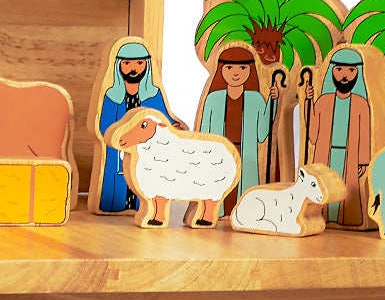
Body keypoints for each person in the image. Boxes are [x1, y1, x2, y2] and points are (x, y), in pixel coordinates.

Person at [94, 40, 177, 212]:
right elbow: (104, 125)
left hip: (146, 152)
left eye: (139, 63)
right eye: (127, 63)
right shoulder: (111, 95)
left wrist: (175, 125)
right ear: (118, 65)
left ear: (147, 65)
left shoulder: (154, 93)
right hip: (119, 150)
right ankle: (115, 205)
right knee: (119, 180)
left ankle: (142, 208)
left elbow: (162, 117)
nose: (134, 68)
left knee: (144, 178)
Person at [305, 44, 374, 227]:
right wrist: (308, 101)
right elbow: (313, 133)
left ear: (358, 73)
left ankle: (347, 218)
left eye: (351, 70)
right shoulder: (323, 101)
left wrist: (363, 160)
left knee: (347, 189)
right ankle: (324, 216)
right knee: (325, 186)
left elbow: (366, 132)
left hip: (349, 156)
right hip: (325, 154)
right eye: (339, 69)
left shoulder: (360, 104)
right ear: (332, 72)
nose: (345, 75)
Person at [196, 45, 271, 209]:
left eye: (242, 68)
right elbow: (203, 134)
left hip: (246, 154)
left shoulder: (256, 99)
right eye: (229, 67)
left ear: (250, 69)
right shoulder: (212, 99)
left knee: (243, 189)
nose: (236, 73)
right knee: (219, 187)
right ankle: (215, 212)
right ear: (221, 69)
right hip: (218, 154)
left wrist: (273, 101)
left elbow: (262, 134)